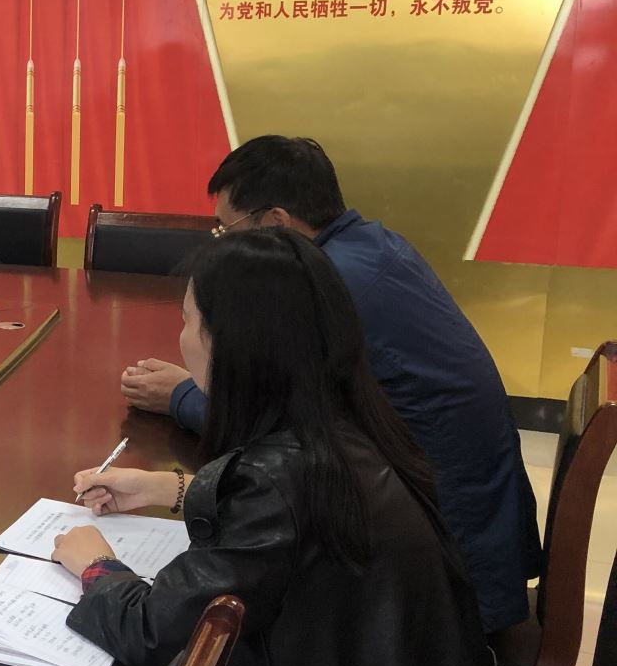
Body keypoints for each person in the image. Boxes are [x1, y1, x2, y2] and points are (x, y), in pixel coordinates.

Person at [56, 229, 551, 666]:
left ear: (237, 345)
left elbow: (154, 629)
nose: (182, 339)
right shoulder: (347, 422)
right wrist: (170, 488)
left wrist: (96, 566)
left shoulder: (283, 480)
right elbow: (294, 529)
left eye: (190, 320)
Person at [120, 136, 539, 633]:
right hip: (460, 528)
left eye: (226, 229)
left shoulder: (327, 285)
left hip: (439, 578)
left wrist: (182, 396)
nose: (222, 243)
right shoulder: (372, 245)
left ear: (276, 222)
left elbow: (279, 425)